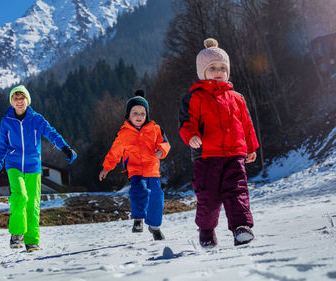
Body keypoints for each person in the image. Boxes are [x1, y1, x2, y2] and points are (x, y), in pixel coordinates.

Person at [179, 38, 259, 248]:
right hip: (206, 156)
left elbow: (246, 124)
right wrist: (191, 136)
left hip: (234, 154)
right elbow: (186, 122)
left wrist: (251, 147)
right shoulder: (194, 97)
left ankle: (241, 228)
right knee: (208, 197)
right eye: (212, 67)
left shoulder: (236, 97)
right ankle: (206, 232)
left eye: (223, 68)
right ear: (202, 72)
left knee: (237, 191)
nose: (218, 71)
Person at [0, 85, 77, 253]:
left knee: (33, 204)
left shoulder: (37, 119)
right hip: (13, 165)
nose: (19, 101)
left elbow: (52, 133)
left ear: (28, 100)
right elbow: (2, 146)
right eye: (15, 98)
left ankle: (32, 241)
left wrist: (65, 148)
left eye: (22, 98)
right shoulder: (6, 121)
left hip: (33, 166)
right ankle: (17, 234)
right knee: (20, 196)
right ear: (11, 102)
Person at [99, 89, 170, 240]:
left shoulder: (155, 129)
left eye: (142, 113)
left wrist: (161, 151)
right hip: (135, 170)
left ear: (147, 115)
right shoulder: (124, 133)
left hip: (153, 170)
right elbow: (115, 152)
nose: (139, 117)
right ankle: (138, 220)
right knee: (139, 191)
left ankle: (155, 227)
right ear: (128, 115)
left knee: (156, 198)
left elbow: (165, 143)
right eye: (135, 113)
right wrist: (106, 167)